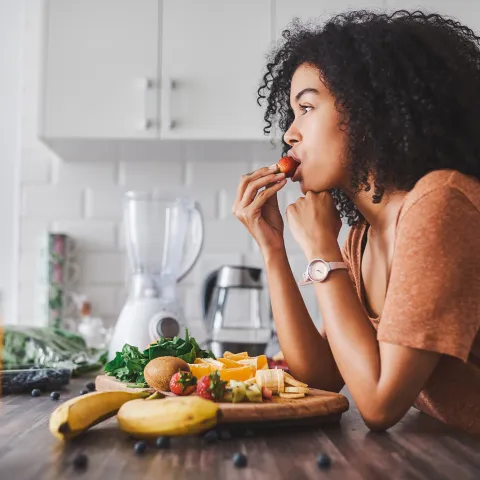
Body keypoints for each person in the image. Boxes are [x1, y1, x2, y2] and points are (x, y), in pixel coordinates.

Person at [233, 10, 480, 434]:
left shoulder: (441, 203)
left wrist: (322, 251)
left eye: (306, 107)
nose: (290, 134)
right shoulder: (363, 237)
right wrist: (273, 250)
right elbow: (324, 377)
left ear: (371, 111)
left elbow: (380, 404)